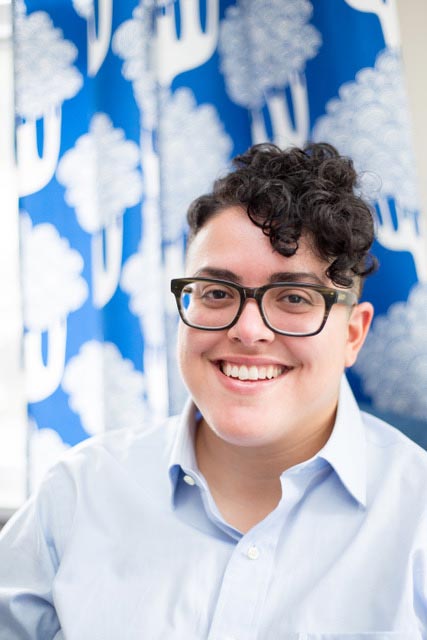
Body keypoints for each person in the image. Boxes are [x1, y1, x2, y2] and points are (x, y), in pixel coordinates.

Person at [0, 143, 426, 640]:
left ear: (352, 333)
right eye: (217, 293)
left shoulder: (418, 520)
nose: (247, 331)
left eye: (293, 297)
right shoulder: (78, 493)